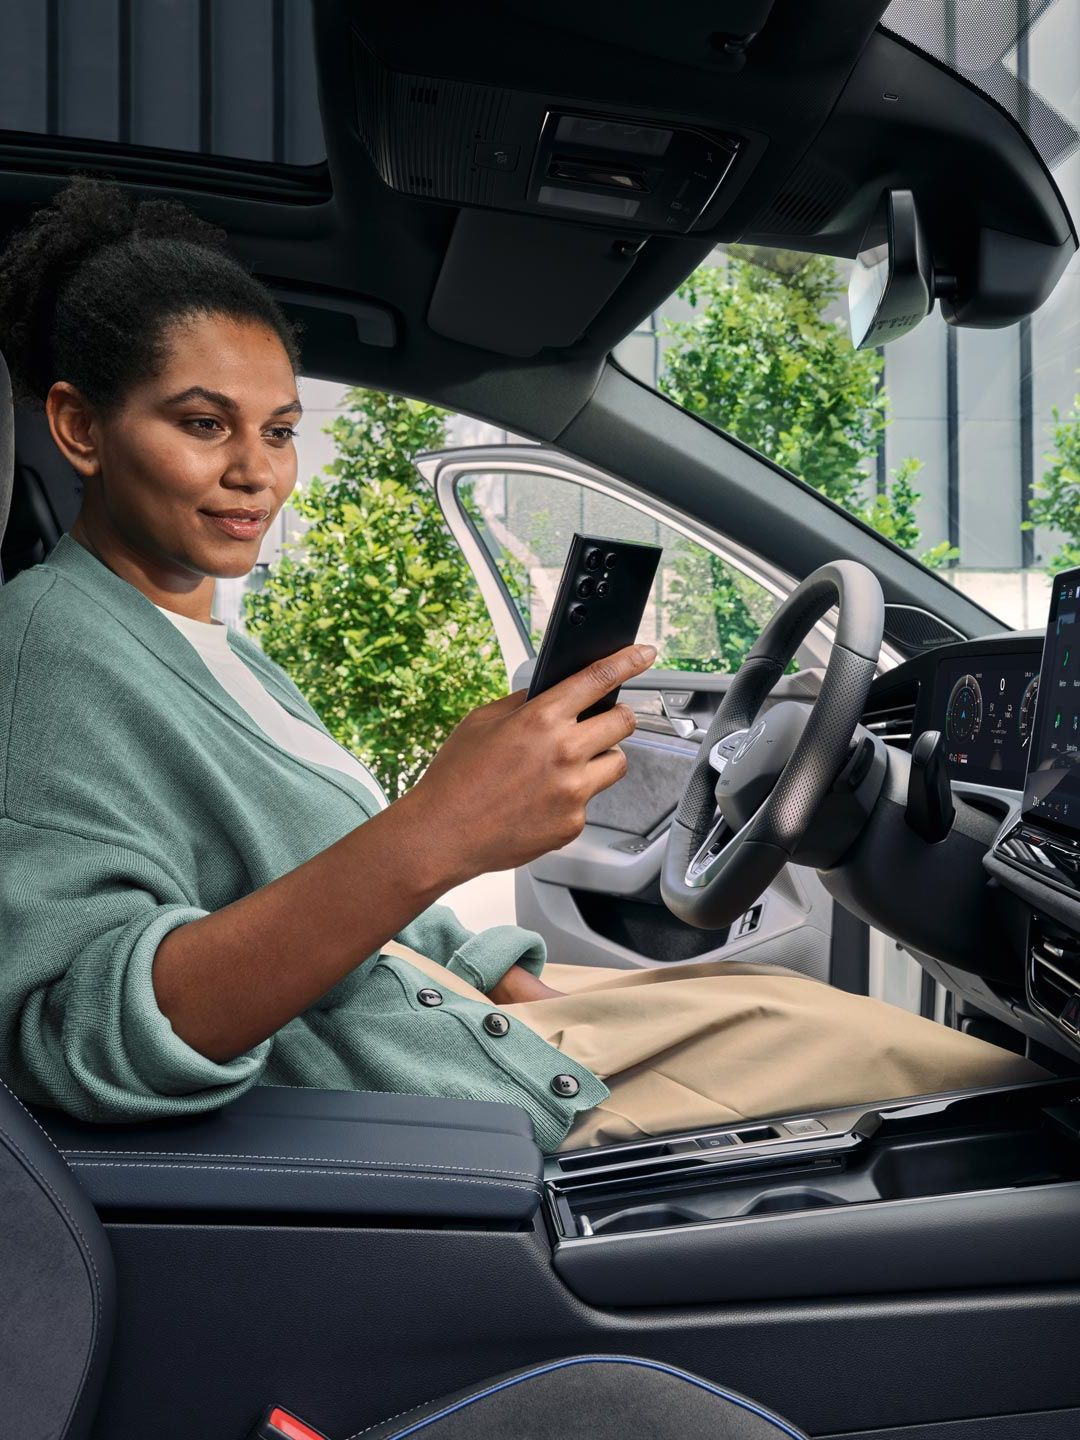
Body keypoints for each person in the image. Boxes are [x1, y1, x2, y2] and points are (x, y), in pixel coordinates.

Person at [0, 176, 1046, 1156]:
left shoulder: (200, 640)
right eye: (201, 424)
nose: (256, 472)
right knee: (1005, 1113)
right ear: (79, 427)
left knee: (843, 1031)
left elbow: (318, 890)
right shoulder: (46, 657)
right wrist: (441, 829)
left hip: (482, 1047)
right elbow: (81, 1039)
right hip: (442, 1132)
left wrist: (509, 984)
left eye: (278, 430)